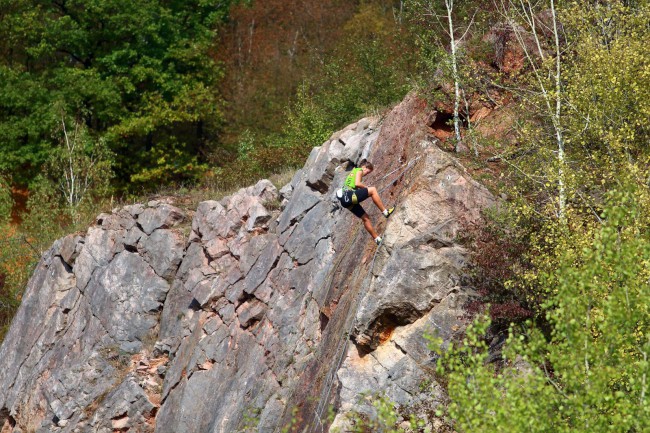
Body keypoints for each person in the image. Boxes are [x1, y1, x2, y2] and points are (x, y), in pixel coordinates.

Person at [337, 160, 394, 245]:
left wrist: (363, 189)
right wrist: (366, 187)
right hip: (349, 195)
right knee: (373, 190)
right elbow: (357, 183)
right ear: (364, 167)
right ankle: (385, 212)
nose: (367, 173)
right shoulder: (359, 170)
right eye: (368, 171)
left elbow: (354, 185)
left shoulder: (352, 173)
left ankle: (377, 239)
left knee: (365, 218)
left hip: (344, 201)